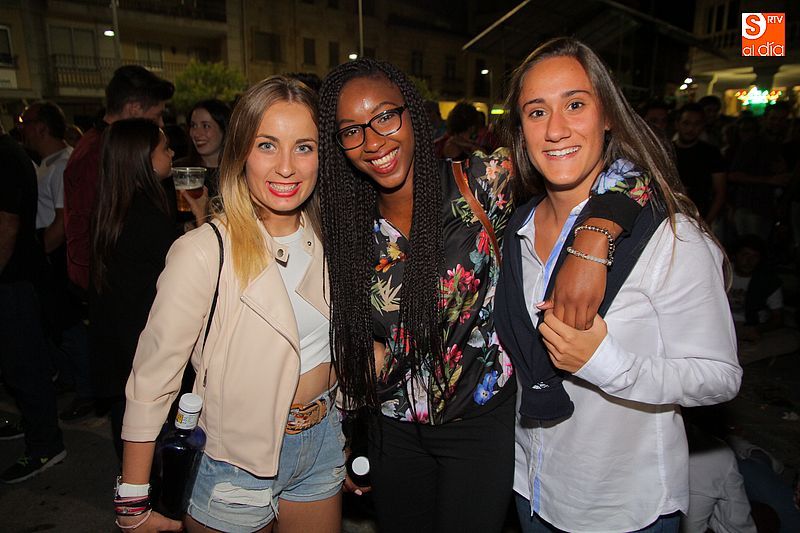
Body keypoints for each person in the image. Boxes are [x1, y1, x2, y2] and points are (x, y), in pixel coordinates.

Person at [317, 58, 651, 533]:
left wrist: (593, 240)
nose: (373, 142)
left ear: (413, 112)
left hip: (477, 425)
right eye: (352, 131)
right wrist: (349, 429)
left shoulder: (481, 181)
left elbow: (626, 169)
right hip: (392, 430)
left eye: (385, 117)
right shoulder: (345, 220)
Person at [495, 37, 742, 533]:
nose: (556, 129)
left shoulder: (670, 238)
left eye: (575, 105)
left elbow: (720, 376)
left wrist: (606, 363)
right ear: (521, 130)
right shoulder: (515, 228)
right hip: (529, 487)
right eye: (537, 112)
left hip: (622, 506)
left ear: (607, 115)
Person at [116, 76, 344, 533]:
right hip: (234, 463)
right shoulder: (203, 252)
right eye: (267, 145)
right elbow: (152, 379)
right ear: (240, 152)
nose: (286, 167)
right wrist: (133, 498)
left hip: (322, 442)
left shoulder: (333, 240)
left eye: (304, 147)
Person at [89, 119, 199, 460]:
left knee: (129, 420)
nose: (172, 153)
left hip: (120, 339)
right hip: (145, 341)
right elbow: (186, 270)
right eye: (165, 148)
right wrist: (200, 218)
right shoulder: (145, 214)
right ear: (144, 160)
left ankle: (136, 478)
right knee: (156, 435)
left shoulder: (114, 205)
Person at [63, 64, 174, 293]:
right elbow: (83, 228)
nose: (161, 124)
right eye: (157, 115)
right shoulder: (97, 152)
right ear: (134, 108)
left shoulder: (100, 144)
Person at [19, 101, 94, 421]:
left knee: (68, 326)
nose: (21, 128)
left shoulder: (64, 163)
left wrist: (40, 257)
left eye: (25, 122)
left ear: (41, 127)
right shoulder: (48, 163)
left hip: (56, 255)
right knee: (56, 325)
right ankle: (71, 379)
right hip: (48, 252)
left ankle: (86, 389)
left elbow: (64, 221)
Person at [0, 121, 66, 483]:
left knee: (24, 365)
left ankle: (44, 444)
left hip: (13, 280)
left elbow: (8, 225)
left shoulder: (6, 157)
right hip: (16, 277)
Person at [673, 103, 727, 227]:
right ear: (677, 124)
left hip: (703, 216)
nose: (691, 129)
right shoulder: (667, 151)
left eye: (697, 124)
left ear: (703, 126)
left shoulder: (712, 153)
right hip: (672, 217)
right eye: (686, 123)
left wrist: (707, 222)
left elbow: (720, 192)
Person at [174, 99, 231, 198]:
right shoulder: (180, 171)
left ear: (224, 130)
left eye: (206, 126)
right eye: (193, 125)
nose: (197, 133)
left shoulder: (239, 173)